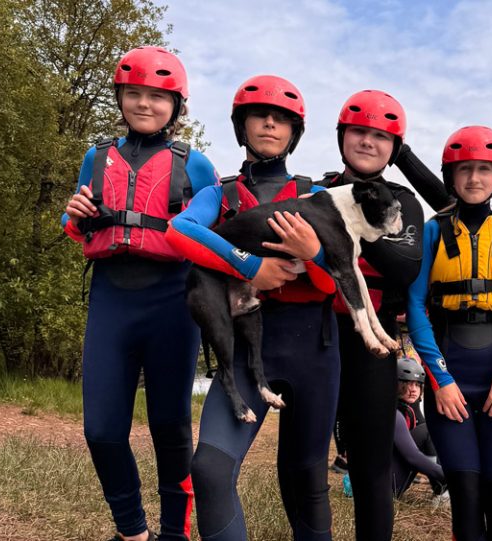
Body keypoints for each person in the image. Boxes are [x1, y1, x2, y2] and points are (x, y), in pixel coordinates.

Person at [165, 75, 339, 541]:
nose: (269, 123)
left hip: (314, 351)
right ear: (242, 126)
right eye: (259, 115)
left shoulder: (317, 195)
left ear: (293, 132)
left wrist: (316, 254)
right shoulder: (219, 195)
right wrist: (250, 267)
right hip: (244, 349)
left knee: (306, 479)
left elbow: (332, 282)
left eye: (281, 118)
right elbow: (179, 232)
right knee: (209, 470)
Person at [62, 46, 219, 541]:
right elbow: (76, 223)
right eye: (134, 93)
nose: (145, 104)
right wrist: (74, 215)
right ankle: (132, 532)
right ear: (121, 96)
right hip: (112, 297)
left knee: (170, 428)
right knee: (102, 430)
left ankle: (175, 533)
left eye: (157, 96)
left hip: (173, 301)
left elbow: (218, 237)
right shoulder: (96, 156)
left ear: (177, 104)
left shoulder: (196, 166)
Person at [406, 126, 492, 541]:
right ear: (451, 176)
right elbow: (416, 306)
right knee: (465, 495)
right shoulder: (432, 230)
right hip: (451, 378)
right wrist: (441, 380)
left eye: (484, 169)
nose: (474, 179)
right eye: (464, 170)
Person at [318, 89, 425, 541]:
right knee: (306, 460)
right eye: (359, 132)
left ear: (394, 149)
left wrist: (354, 222)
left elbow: (407, 265)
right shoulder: (315, 193)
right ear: (343, 136)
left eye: (381, 136)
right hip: (315, 334)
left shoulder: (405, 202)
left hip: (372, 343)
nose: (368, 142)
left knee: (371, 464)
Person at [391, 357, 446, 499]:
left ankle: (441, 489)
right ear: (395, 384)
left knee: (431, 429)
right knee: (428, 431)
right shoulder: (392, 413)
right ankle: (442, 489)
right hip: (383, 487)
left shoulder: (407, 408)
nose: (413, 390)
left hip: (390, 481)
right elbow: (412, 456)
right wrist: (452, 476)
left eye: (417, 384)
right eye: (407, 384)